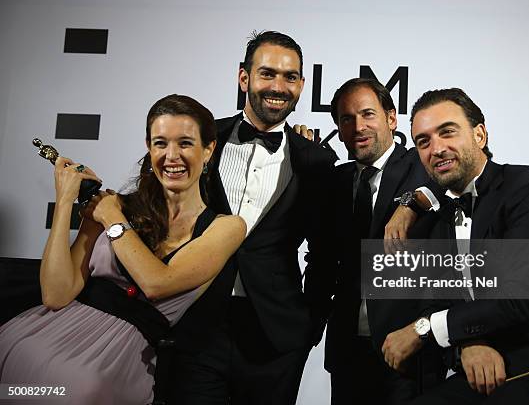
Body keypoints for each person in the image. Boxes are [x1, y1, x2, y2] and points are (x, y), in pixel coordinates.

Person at [0, 94, 246, 404]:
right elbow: (55, 294)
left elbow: (157, 283)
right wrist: (65, 201)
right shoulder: (114, 204)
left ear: (208, 150)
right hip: (36, 339)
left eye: (185, 143)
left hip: (112, 365)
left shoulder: (226, 227)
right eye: (160, 143)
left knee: (79, 390)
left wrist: (111, 218)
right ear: (148, 147)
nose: (171, 156)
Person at [381, 87, 529, 404]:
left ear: (480, 135)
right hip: (487, 369)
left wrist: (423, 330)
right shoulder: (437, 220)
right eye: (424, 141)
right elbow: (437, 301)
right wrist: (467, 343)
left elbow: (522, 296)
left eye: (447, 132)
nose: (436, 148)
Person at [168, 31, 337, 405]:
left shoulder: (317, 161)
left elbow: (325, 255)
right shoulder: (201, 139)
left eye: (290, 77)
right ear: (244, 78)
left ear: (302, 84)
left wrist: (309, 327)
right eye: (267, 74)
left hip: (275, 337)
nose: (279, 86)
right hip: (197, 325)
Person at [323, 78, 443, 405]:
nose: (358, 126)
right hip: (348, 352)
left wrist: (412, 204)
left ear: (391, 118)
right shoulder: (336, 182)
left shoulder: (422, 164)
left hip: (408, 351)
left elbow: (444, 188)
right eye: (347, 119)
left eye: (367, 114)